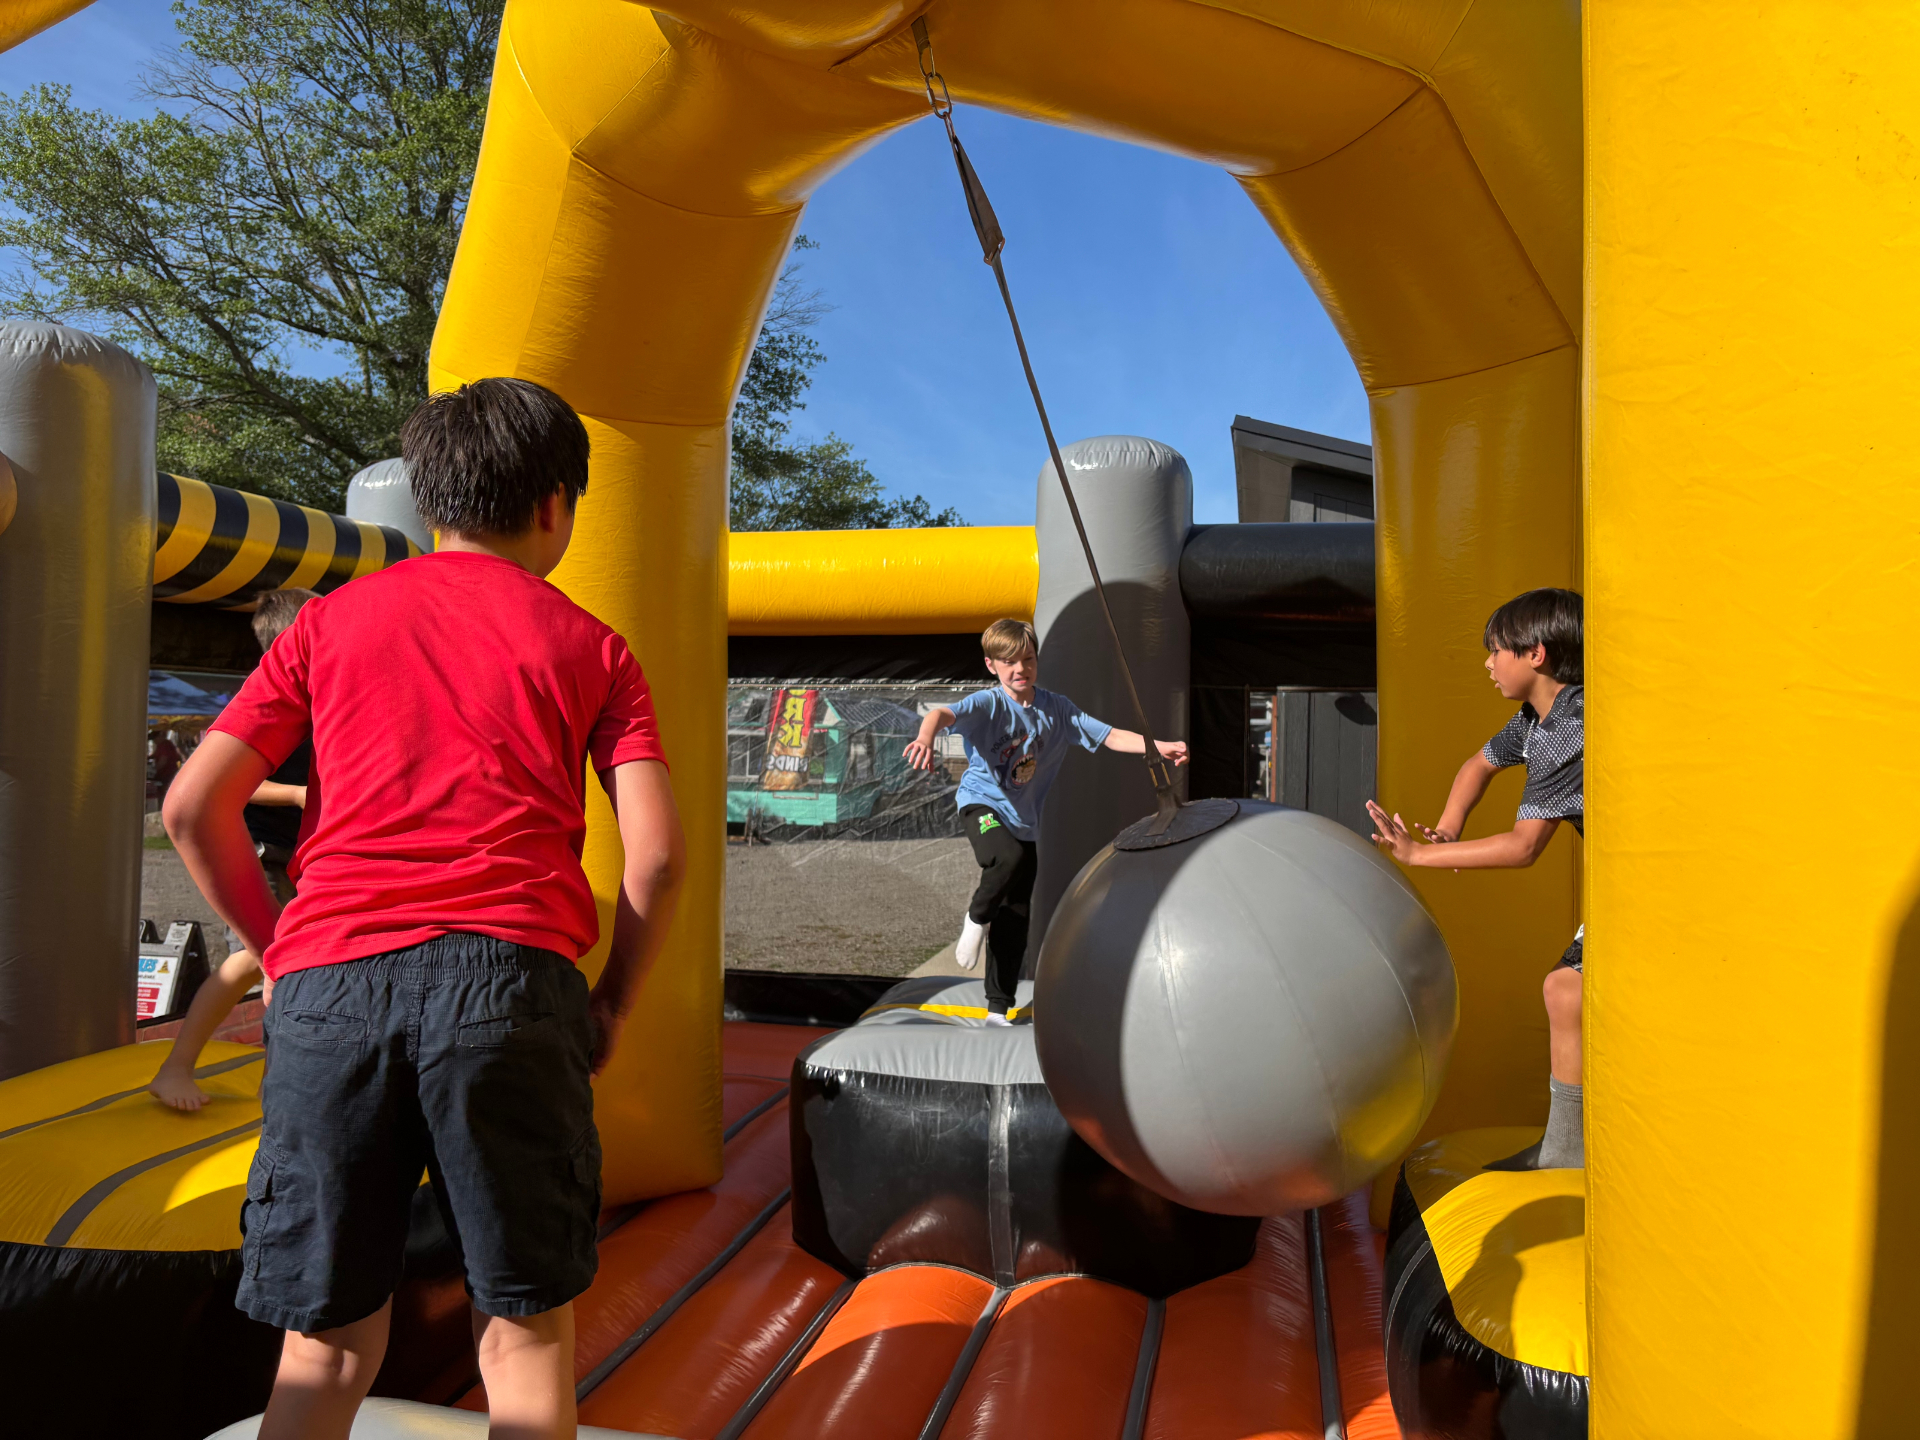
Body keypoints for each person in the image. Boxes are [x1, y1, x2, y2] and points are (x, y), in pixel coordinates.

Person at [162, 377, 686, 1440]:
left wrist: (284, 951)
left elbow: (190, 805)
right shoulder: (595, 646)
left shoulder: (327, 624)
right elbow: (660, 858)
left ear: (434, 502)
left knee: (325, 1342)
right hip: (511, 982)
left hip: (330, 989)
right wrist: (616, 1001)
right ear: (556, 507)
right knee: (524, 1334)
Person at [1364, 587, 1585, 1170]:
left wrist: (1415, 856)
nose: (1488, 664)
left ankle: (1566, 1150)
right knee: (1566, 991)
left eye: (1496, 651)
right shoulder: (1535, 720)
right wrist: (1447, 830)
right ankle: (1566, 1146)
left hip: (1649, 902)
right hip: (1620, 904)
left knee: (1566, 991)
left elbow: (1523, 847)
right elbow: (1478, 765)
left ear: (1535, 653)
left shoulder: (1571, 725)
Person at [903, 618, 1189, 1025]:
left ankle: (998, 1009)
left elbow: (1108, 735)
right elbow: (942, 715)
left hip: (1025, 822)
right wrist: (925, 737)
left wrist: (1158, 746)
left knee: (1017, 915)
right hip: (981, 805)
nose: (1020, 669)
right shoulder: (988, 704)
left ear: (1037, 660)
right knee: (1005, 859)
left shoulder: (1057, 709)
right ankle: (975, 918)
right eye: (1010, 663)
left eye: (1028, 660)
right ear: (991, 666)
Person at [148, 588, 320, 1112]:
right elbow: (217, 781)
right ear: (295, 642)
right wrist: (295, 794)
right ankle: (193, 1070)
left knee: (265, 964)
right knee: (269, 964)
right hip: (260, 853)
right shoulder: (266, 697)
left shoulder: (319, 699)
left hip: (298, 852)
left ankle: (213, 1074)